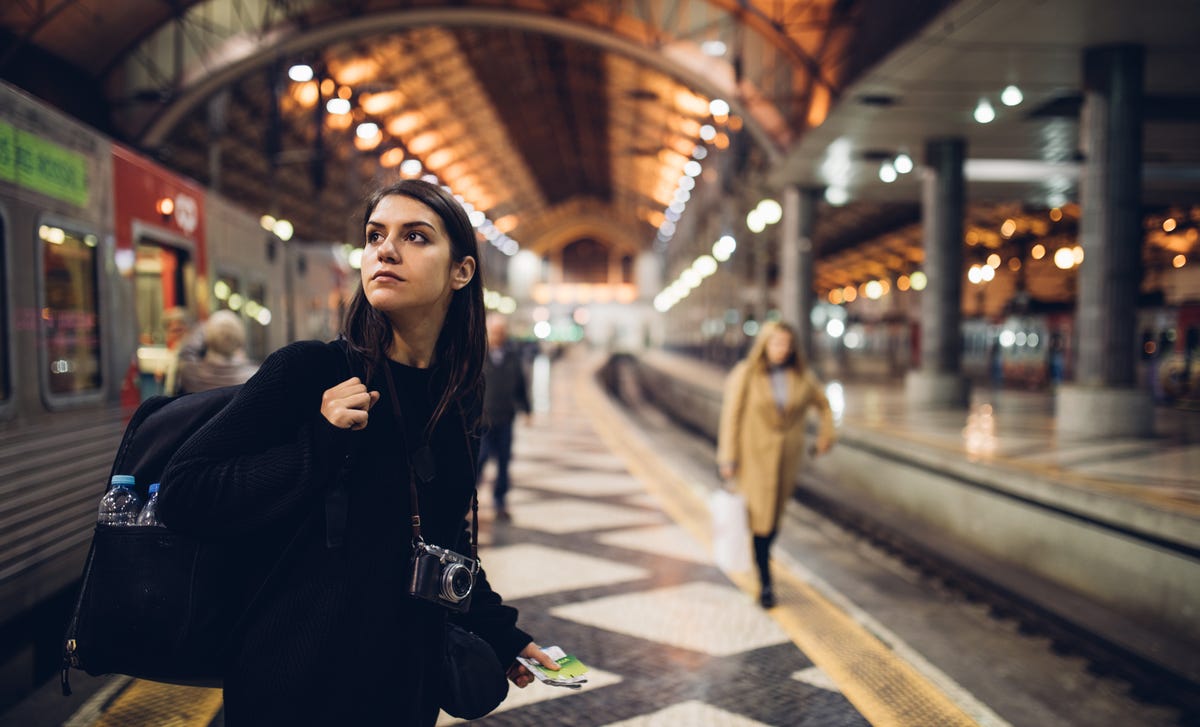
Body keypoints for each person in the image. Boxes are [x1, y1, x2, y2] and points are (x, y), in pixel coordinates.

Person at [159, 179, 559, 725]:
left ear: (461, 272)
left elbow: (442, 536)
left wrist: (500, 630)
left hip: (401, 691)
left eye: (415, 236)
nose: (386, 250)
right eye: (375, 236)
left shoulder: (456, 396)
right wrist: (318, 446)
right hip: (293, 690)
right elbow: (184, 493)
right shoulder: (309, 371)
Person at [716, 321, 835, 609]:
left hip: (786, 459)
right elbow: (731, 416)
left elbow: (824, 405)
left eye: (787, 344)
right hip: (753, 457)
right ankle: (766, 581)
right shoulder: (746, 374)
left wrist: (825, 435)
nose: (782, 349)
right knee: (760, 519)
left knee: (774, 518)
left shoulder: (803, 376)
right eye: (776, 343)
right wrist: (727, 457)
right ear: (765, 345)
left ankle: (764, 559)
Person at [476, 312, 531, 521]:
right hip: (482, 421)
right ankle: (468, 501)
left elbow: (521, 385)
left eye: (501, 331)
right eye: (494, 331)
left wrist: (527, 409)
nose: (498, 335)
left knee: (504, 462)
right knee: (479, 461)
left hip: (505, 419)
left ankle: (500, 502)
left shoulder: (512, 356)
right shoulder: (478, 355)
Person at [178, 309, 259, 393]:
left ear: (207, 337)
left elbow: (186, 351)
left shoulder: (192, 375)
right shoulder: (254, 376)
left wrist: (203, 327)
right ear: (240, 338)